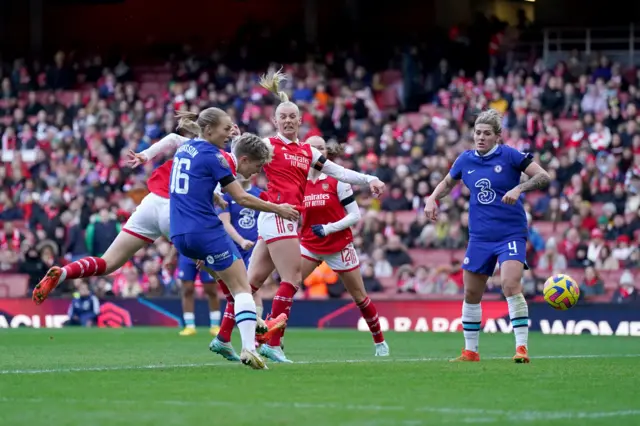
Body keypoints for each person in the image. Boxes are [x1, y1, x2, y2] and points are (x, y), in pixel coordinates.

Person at [233, 68, 385, 363]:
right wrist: (223, 178)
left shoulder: (308, 154)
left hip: (333, 241)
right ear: (275, 121)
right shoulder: (267, 145)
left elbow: (341, 173)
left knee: (254, 283)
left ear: (301, 121)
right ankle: (271, 343)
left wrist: (370, 178)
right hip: (285, 222)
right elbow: (241, 159)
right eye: (283, 117)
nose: (288, 121)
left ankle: (229, 338)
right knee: (288, 280)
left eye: (293, 117)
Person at [168, 107, 299, 369]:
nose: (230, 133)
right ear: (208, 130)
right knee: (244, 289)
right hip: (205, 230)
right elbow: (241, 197)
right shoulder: (214, 157)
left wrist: (213, 195)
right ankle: (250, 348)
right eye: (226, 129)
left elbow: (197, 180)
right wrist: (279, 208)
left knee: (232, 286)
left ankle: (246, 329)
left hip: (179, 233)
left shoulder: (185, 149)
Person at [424, 109, 550, 363]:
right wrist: (432, 198)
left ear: (497, 137)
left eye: (487, 133)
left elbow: (543, 176)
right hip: (480, 237)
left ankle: (521, 348)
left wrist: (519, 187)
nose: (481, 137)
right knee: (471, 293)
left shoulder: (510, 155)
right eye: (477, 133)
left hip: (510, 233)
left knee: (510, 285)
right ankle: (471, 351)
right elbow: (448, 183)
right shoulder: (466, 159)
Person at [300, 137, 389, 356]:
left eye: (320, 148)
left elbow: (355, 216)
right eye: (311, 147)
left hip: (339, 245)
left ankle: (380, 342)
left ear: (325, 153)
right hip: (310, 244)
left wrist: (329, 229)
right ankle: (274, 343)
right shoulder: (298, 180)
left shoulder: (336, 179)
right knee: (289, 285)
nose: (316, 151)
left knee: (359, 297)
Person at [207, 169, 264, 360]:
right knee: (242, 293)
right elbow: (225, 223)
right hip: (234, 248)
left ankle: (250, 338)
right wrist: (240, 241)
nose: (243, 174)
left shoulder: (259, 194)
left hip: (254, 250)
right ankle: (247, 340)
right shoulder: (226, 195)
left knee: (251, 292)